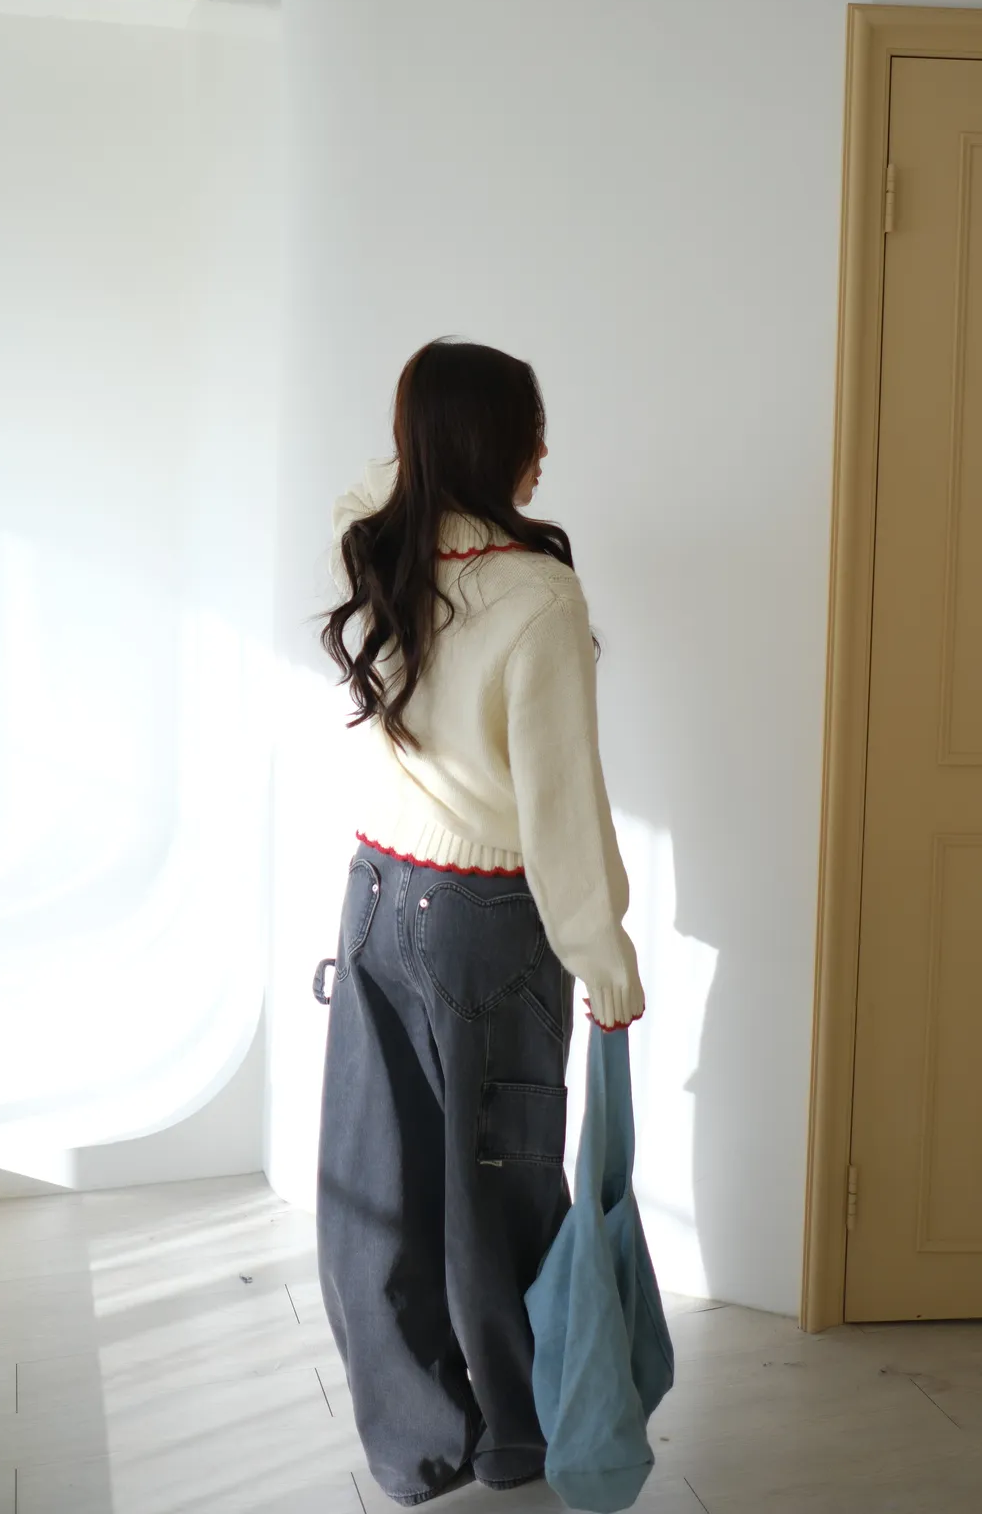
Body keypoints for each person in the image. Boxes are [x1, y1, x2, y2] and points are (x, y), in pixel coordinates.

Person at [316, 338, 646, 1506]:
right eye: (531, 430)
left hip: (373, 904)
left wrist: (424, 466)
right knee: (496, 1198)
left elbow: (370, 486)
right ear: (498, 442)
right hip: (488, 928)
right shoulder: (538, 596)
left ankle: (417, 1449)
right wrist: (604, 954)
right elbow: (562, 802)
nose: (545, 450)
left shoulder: (382, 549)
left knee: (377, 1194)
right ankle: (515, 1440)